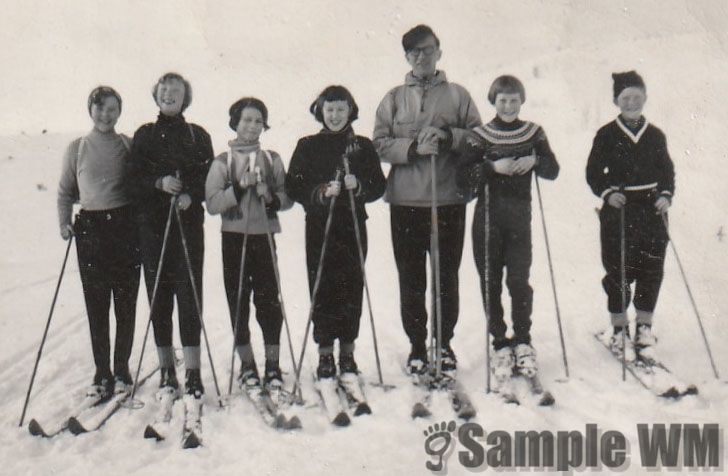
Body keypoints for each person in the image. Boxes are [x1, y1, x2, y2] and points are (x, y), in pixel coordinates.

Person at [373, 24, 482, 375]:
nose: (422, 56)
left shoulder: (458, 95)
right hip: (406, 202)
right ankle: (417, 345)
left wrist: (450, 137)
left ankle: (444, 343)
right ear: (406, 56)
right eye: (414, 52)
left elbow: (480, 138)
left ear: (439, 51)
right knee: (411, 277)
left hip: (448, 198)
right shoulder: (392, 98)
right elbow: (377, 143)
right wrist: (412, 147)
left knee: (447, 275)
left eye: (428, 49)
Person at [455, 75, 559, 385]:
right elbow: (463, 180)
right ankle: (500, 340)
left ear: (522, 100)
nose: (509, 106)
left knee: (519, 280)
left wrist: (534, 159)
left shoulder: (532, 133)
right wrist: (491, 168)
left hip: (519, 219)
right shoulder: (480, 135)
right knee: (490, 280)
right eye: (503, 100)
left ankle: (523, 339)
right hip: (488, 218)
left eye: (514, 100)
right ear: (493, 101)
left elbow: (552, 170)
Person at [286, 85, 386, 380]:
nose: (334, 115)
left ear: (351, 110)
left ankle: (348, 352)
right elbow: (294, 186)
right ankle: (325, 353)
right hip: (320, 225)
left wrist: (360, 186)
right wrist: (320, 191)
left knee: (351, 284)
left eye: (341, 109)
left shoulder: (363, 146)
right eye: (329, 109)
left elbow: (379, 185)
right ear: (320, 111)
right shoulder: (307, 145)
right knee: (322, 285)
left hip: (352, 223)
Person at [129, 72, 214, 400]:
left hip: (188, 225)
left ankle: (192, 371)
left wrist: (190, 193)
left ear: (185, 97)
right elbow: (132, 180)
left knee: (190, 295)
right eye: (164, 89)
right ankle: (167, 371)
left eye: (175, 91)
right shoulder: (144, 134)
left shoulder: (198, 135)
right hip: (151, 226)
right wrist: (158, 183)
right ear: (156, 94)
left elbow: (209, 176)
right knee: (159, 297)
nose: (169, 94)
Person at [57, 86, 140, 399]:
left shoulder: (128, 145)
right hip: (91, 230)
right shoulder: (77, 148)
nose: (106, 115)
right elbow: (66, 191)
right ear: (90, 110)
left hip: (125, 227)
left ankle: (122, 370)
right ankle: (101, 371)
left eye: (112, 109)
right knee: (97, 304)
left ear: (120, 112)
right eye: (100, 108)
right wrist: (64, 222)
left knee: (125, 302)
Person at [586, 71, 674, 363]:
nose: (632, 102)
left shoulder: (655, 134)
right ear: (616, 101)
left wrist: (665, 195)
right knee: (619, 270)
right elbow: (593, 173)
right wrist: (608, 193)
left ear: (645, 98)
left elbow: (667, 172)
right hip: (620, 210)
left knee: (652, 269)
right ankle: (619, 330)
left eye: (637, 96)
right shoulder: (606, 134)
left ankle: (644, 329)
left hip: (651, 209)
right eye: (626, 98)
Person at [205, 97, 292, 389]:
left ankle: (273, 365)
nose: (252, 126)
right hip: (234, 237)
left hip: (264, 236)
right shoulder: (223, 161)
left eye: (258, 120)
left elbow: (287, 197)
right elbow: (213, 204)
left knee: (269, 302)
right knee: (238, 302)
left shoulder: (272, 158)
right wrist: (239, 187)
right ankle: (247, 365)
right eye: (246, 120)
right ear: (235, 122)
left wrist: (269, 195)